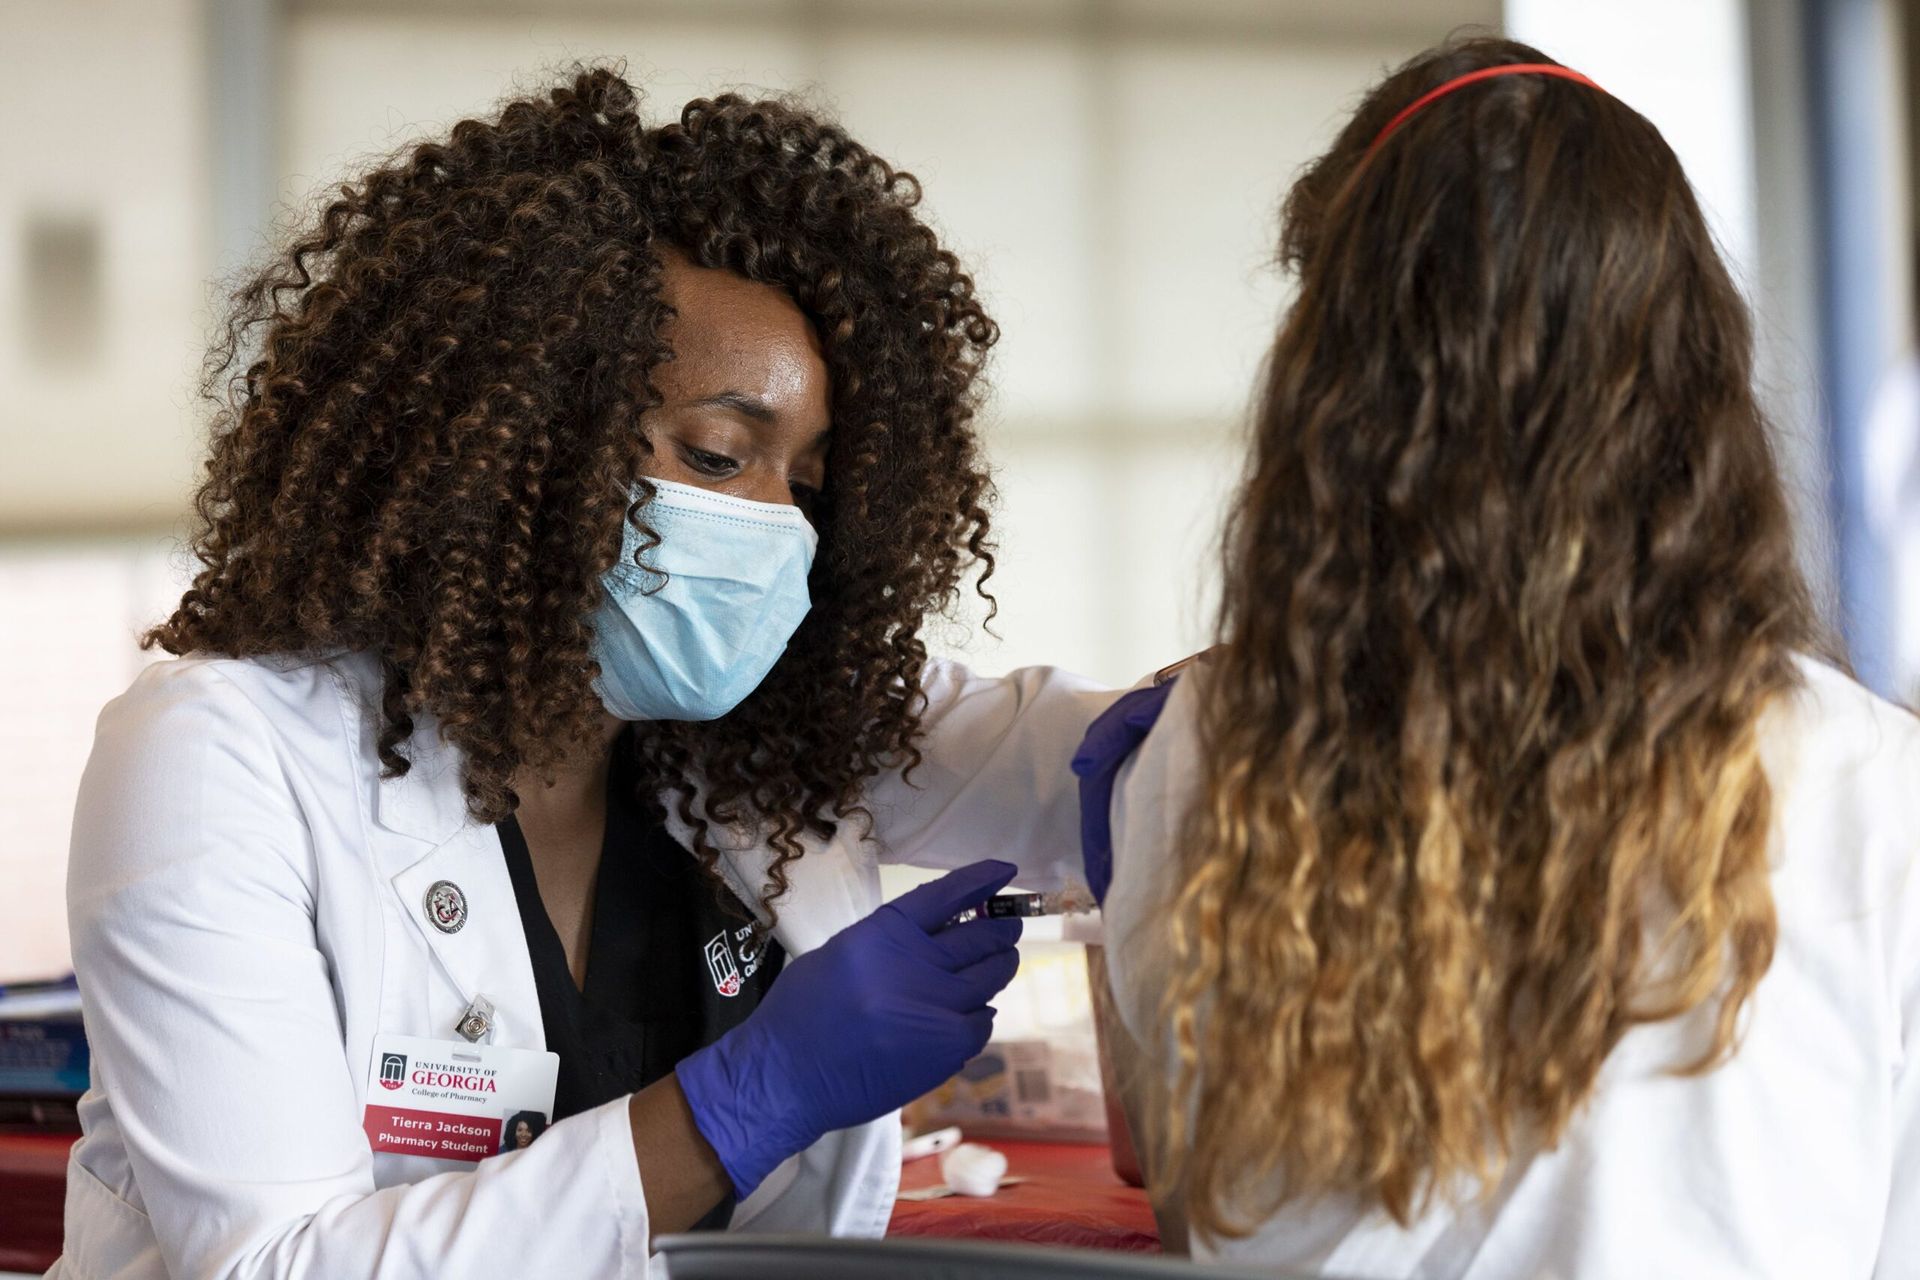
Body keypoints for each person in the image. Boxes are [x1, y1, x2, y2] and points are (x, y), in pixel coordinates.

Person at [52, 69, 1117, 1279]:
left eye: (807, 480)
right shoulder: (216, 751)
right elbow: (271, 1266)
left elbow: (1089, 754)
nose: (781, 530)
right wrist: (736, 1107)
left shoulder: (770, 734)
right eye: (720, 455)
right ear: (509, 442)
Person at [1076, 37, 1920, 1279]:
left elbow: (1187, 1192)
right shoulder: (1875, 784)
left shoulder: (1213, 750)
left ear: (1334, 390)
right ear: (1691, 376)